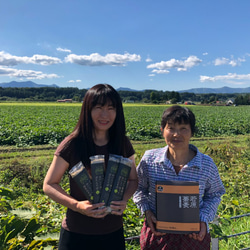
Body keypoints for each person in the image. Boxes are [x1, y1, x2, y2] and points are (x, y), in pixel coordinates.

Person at [43, 84, 138, 250]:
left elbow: (132, 179)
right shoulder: (72, 144)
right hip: (77, 233)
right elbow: (49, 184)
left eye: (111, 108)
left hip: (113, 232)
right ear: (87, 110)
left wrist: (124, 199)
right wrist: (77, 206)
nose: (104, 115)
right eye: (98, 107)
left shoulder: (122, 143)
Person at [133, 105, 225, 250]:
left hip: (193, 235)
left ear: (192, 132)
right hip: (157, 234)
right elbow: (138, 188)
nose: (177, 134)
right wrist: (147, 211)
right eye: (171, 128)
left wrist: (203, 219)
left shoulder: (206, 164)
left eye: (183, 129)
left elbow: (215, 194)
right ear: (162, 130)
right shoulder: (149, 159)